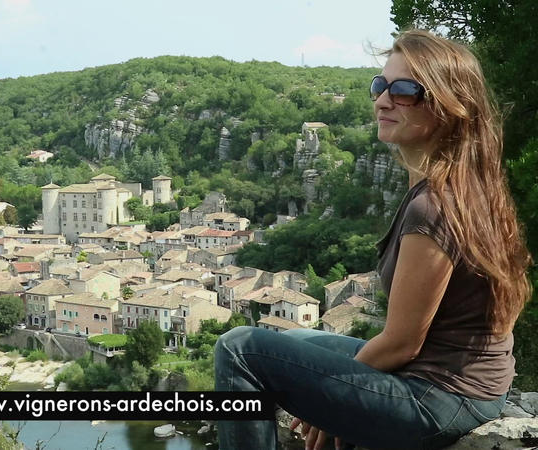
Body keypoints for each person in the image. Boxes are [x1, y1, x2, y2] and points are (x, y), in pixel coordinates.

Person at [215, 29, 533, 450]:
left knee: (239, 348)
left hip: (441, 400)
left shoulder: (435, 206)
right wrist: (329, 395)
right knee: (289, 341)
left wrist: (326, 402)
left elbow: (402, 342)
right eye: (379, 86)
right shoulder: (468, 185)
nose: (382, 100)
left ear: (449, 106)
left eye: (404, 91)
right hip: (467, 387)